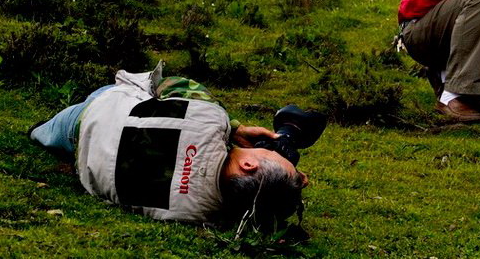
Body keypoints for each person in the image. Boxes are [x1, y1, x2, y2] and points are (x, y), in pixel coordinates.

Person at [28, 61, 308, 227]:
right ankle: (42, 132)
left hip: (94, 112)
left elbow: (169, 85)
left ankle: (39, 131)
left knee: (141, 94)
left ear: (249, 164)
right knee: (54, 134)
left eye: (267, 152)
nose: (265, 147)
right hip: (84, 156)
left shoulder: (211, 117)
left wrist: (235, 129)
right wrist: (284, 189)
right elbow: (256, 207)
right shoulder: (203, 214)